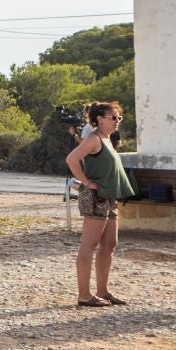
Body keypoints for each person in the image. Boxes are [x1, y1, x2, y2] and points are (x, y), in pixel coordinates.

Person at [65, 102, 132, 306]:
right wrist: (86, 182)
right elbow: (72, 159)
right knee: (89, 245)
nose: (117, 121)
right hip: (96, 197)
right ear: (100, 119)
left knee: (110, 243)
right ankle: (84, 295)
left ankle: (103, 291)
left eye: (118, 117)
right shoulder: (93, 139)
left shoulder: (108, 139)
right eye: (113, 117)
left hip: (109, 197)